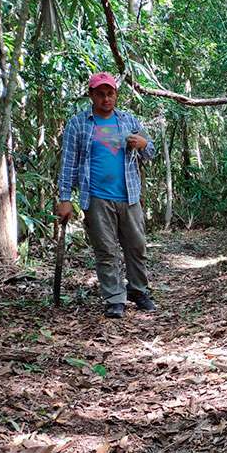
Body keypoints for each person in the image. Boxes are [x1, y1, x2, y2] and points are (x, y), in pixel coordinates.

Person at [57, 72, 157, 319]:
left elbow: (150, 150)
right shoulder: (78, 123)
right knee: (106, 250)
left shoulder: (128, 121)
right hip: (97, 197)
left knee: (137, 247)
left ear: (115, 95)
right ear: (90, 95)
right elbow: (68, 163)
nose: (106, 99)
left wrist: (143, 145)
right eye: (100, 94)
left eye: (110, 93)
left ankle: (138, 290)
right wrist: (65, 199)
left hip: (129, 195)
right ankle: (115, 298)